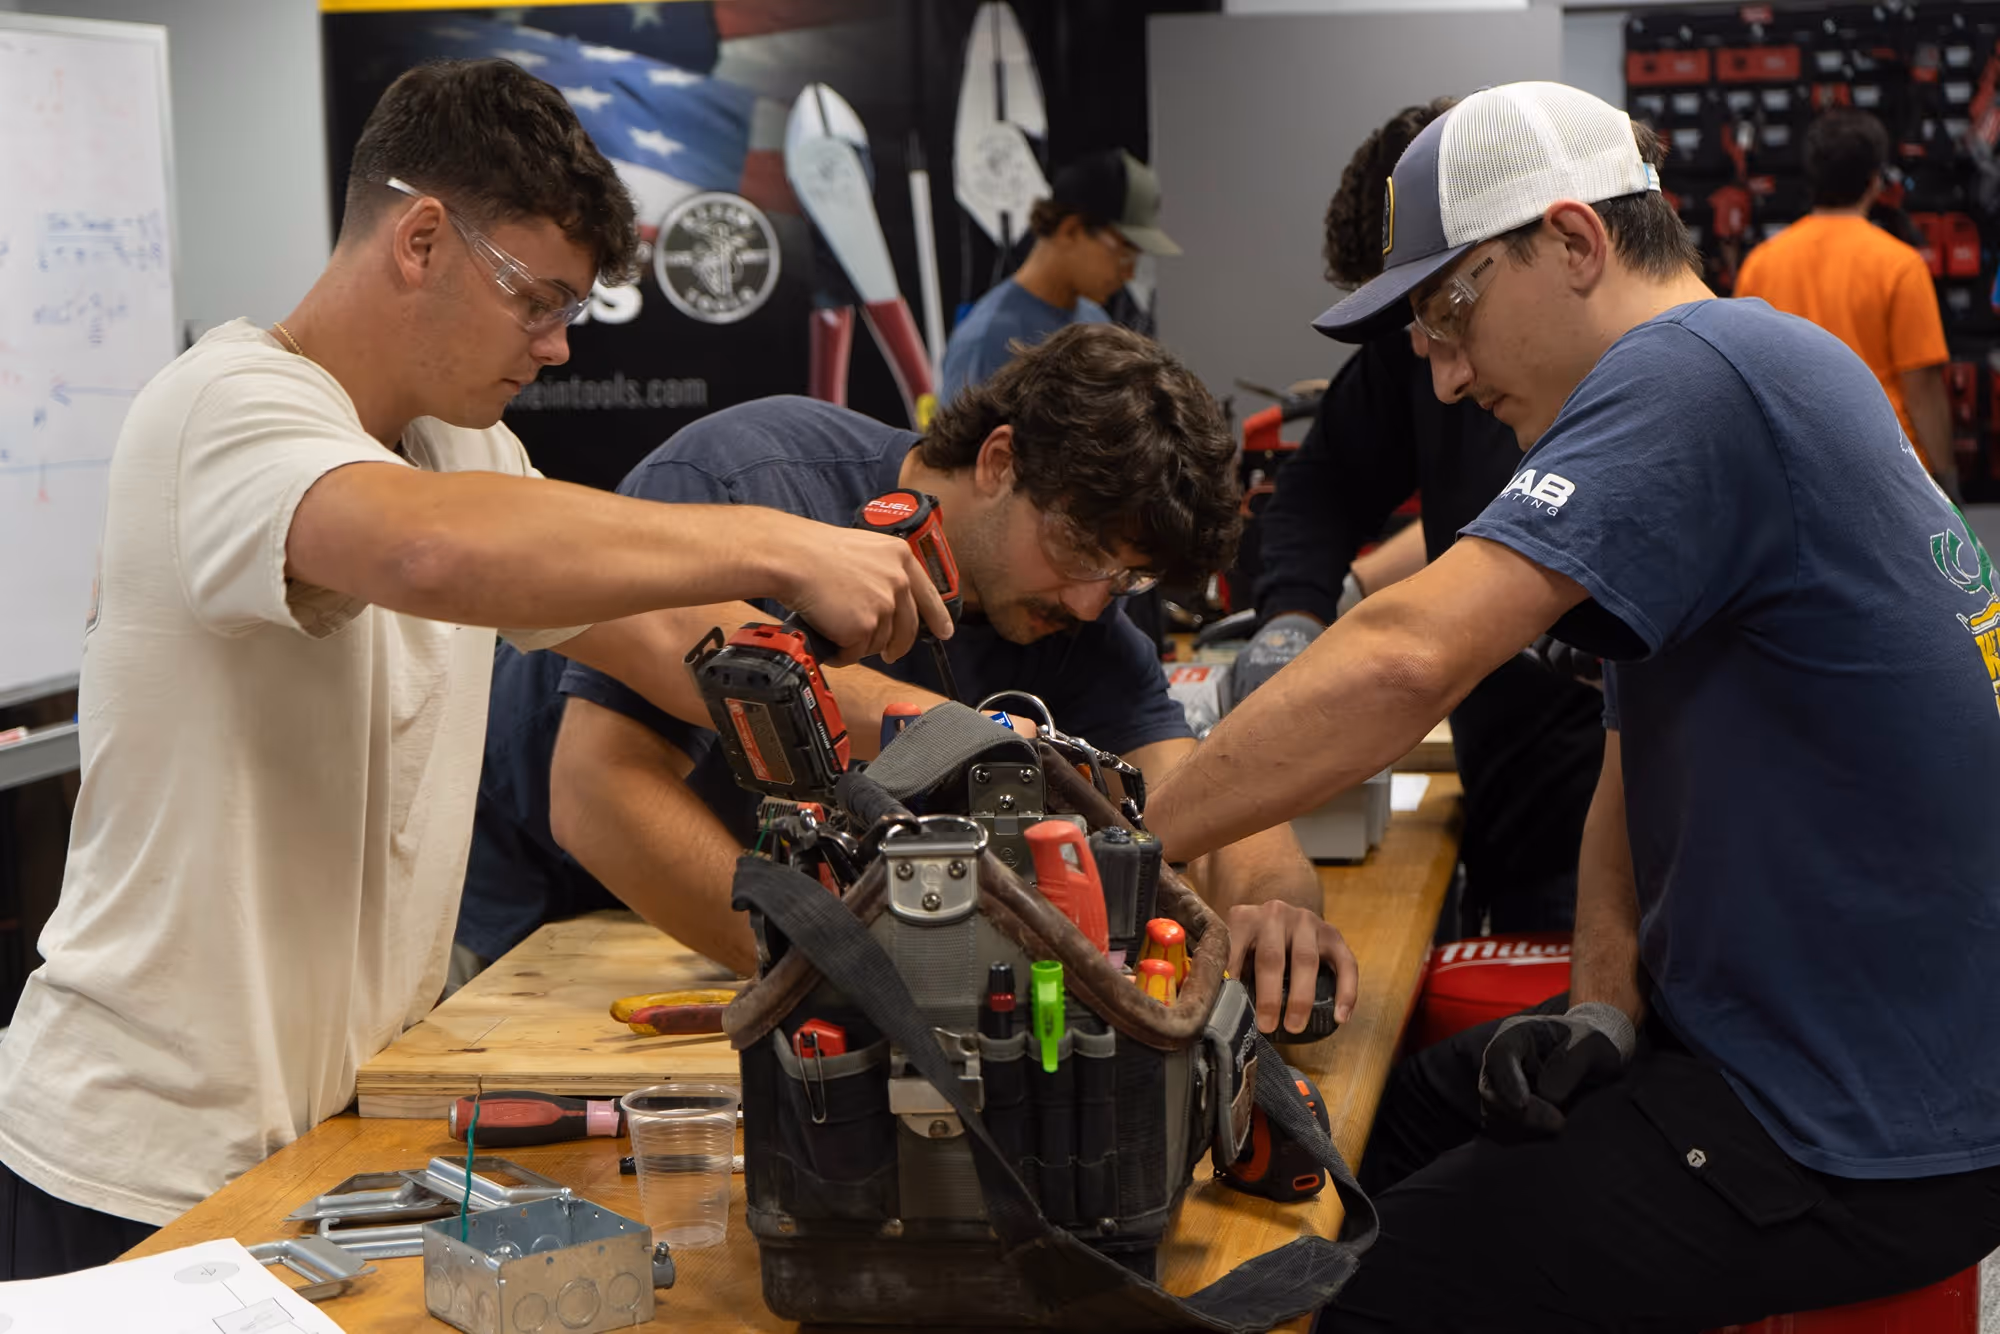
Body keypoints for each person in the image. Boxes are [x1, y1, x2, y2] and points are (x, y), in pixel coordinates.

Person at [0, 59, 951, 1279]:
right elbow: (430, 550)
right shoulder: (224, 412)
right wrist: (782, 539)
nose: (556, 346)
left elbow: (674, 640)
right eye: (538, 300)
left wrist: (955, 745)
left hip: (325, 1148)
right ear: (421, 238)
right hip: (134, 1162)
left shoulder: (459, 446)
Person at [1148, 81, 2000, 1329]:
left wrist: (1125, 838)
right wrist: (1600, 1004)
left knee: (1370, 1291)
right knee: (1389, 1119)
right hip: (1821, 1052)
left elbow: (1403, 657)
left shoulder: (1695, 372)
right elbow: (1626, 747)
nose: (1438, 380)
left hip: (1849, 1123)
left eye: (1447, 314)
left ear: (1574, 243)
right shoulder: (1748, 368)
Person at [458, 323, 1355, 1038]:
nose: (1091, 603)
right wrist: (849, 969)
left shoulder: (1069, 616)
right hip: (535, 933)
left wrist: (1275, 906)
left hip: (762, 953)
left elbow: (1201, 791)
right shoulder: (750, 484)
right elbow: (594, 796)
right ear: (1001, 461)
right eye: (1081, 552)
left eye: (1124, 581)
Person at [1238, 98, 1603, 938]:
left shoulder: (1625, 381)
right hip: (1509, 795)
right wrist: (1290, 616)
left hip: (1606, 818)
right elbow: (1322, 490)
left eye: (1436, 312)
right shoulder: (1418, 359)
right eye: (1410, 325)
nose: (1439, 370)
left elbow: (1423, 649)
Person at [1735, 109, 1960, 499]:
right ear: (1875, 182)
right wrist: (1947, 478)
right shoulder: (1900, 265)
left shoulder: (1761, 264)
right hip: (1889, 473)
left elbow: (1741, 383)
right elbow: (1921, 390)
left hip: (1791, 474)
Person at [939, 149, 1180, 404]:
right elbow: (958, 444)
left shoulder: (1093, 319)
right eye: (1123, 254)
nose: (1129, 273)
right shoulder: (989, 341)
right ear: (1071, 230)